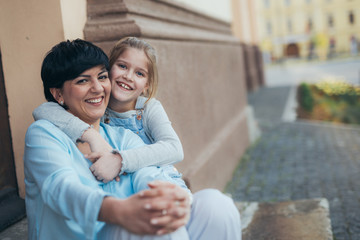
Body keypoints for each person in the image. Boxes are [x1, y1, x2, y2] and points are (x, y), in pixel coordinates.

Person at [25, 39, 241, 240]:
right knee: (152, 226)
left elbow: (148, 174)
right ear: (58, 95)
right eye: (83, 80)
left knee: (216, 206)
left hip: (125, 227)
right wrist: (120, 211)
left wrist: (170, 201)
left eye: (101, 77)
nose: (98, 88)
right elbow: (61, 190)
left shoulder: (123, 135)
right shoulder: (44, 134)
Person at [33, 37, 186, 186]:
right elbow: (43, 110)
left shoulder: (147, 107)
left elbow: (175, 149)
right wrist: (91, 136)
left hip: (158, 177)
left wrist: (120, 160)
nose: (128, 76)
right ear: (109, 68)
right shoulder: (98, 104)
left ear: (147, 85)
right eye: (122, 66)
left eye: (139, 73)